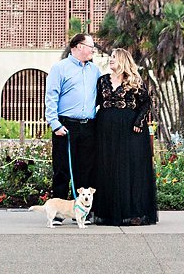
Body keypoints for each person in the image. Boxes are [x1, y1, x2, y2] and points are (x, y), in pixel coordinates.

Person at [91, 47, 157, 226]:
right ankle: (108, 213)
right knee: (108, 167)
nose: (111, 59)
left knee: (131, 169)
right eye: (111, 57)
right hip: (105, 130)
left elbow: (146, 104)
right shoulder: (102, 80)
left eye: (114, 57)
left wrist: (138, 122)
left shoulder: (134, 81)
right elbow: (95, 103)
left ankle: (133, 212)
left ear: (123, 60)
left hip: (130, 131)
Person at [44, 32, 101, 210]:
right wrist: (55, 124)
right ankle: (59, 211)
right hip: (65, 126)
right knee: (62, 170)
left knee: (86, 170)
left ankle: (82, 211)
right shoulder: (59, 68)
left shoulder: (95, 70)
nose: (93, 50)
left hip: (89, 127)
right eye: (91, 46)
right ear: (78, 47)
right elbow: (51, 97)